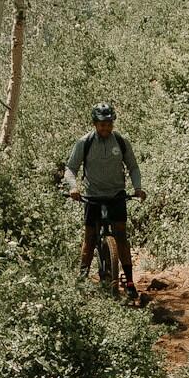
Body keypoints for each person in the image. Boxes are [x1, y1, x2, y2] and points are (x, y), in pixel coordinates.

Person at [64, 101, 144, 298]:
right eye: (102, 124)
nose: (105, 127)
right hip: (92, 197)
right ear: (94, 123)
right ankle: (81, 282)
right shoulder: (84, 142)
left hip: (116, 195)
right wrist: (74, 188)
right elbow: (70, 168)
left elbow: (133, 166)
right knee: (89, 239)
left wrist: (138, 187)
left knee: (122, 237)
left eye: (108, 123)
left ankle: (131, 282)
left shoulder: (121, 141)